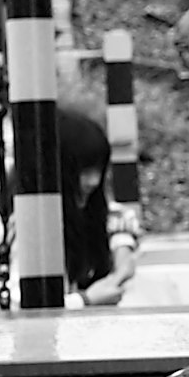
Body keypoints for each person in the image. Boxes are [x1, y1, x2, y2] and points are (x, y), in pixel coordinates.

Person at [57, 105, 137, 306]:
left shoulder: (89, 212)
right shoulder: (30, 229)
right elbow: (27, 311)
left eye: (98, 170)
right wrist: (85, 300)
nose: (93, 181)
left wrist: (122, 246)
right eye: (84, 171)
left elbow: (117, 217)